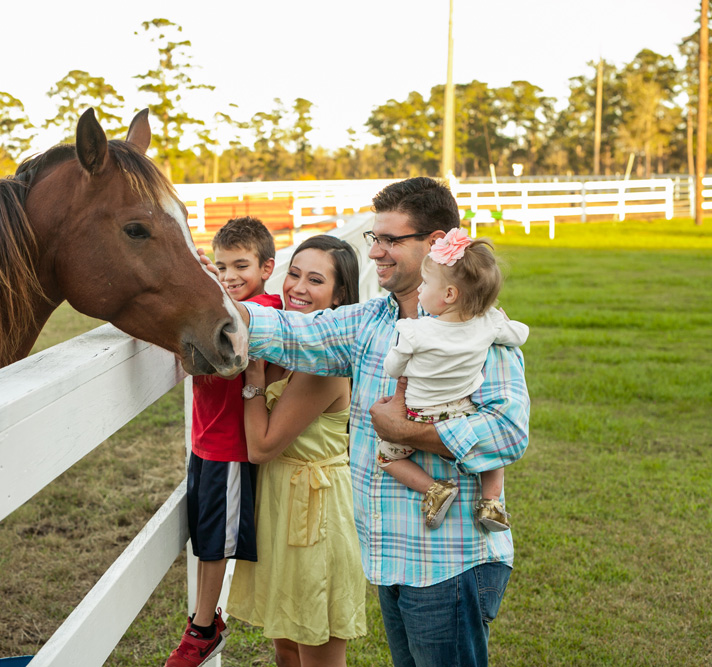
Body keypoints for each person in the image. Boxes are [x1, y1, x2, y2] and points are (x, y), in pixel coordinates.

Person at [221, 177, 530, 667]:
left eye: (391, 240)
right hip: (390, 557)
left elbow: (508, 432)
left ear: (434, 245)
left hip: (449, 561)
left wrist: (406, 432)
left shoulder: (479, 332)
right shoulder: (371, 321)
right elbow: (292, 331)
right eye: (375, 238)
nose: (376, 252)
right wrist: (208, 300)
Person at [226, 236, 367, 667]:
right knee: (286, 644)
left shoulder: (324, 363)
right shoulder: (288, 342)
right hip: (281, 501)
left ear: (340, 295)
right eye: (294, 273)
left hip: (315, 511)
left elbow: (262, 445)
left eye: (316, 280)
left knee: (317, 649)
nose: (298, 288)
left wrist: (252, 377)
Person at [166, 216, 282, 667]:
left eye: (241, 266)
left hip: (231, 446)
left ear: (266, 268)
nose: (231, 277)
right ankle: (204, 616)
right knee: (203, 535)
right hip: (205, 441)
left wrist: (206, 286)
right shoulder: (221, 303)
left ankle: (203, 627)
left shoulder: (266, 308)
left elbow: (236, 330)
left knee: (214, 541)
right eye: (222, 267)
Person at [379, 228, 529, 532]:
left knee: (386, 458)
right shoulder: (488, 324)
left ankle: (435, 489)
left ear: (449, 294)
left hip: (419, 413)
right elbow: (520, 334)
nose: (420, 290)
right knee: (492, 457)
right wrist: (499, 318)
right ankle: (491, 502)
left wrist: (401, 358)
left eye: (426, 284)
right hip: (462, 410)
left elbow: (392, 369)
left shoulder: (415, 331)